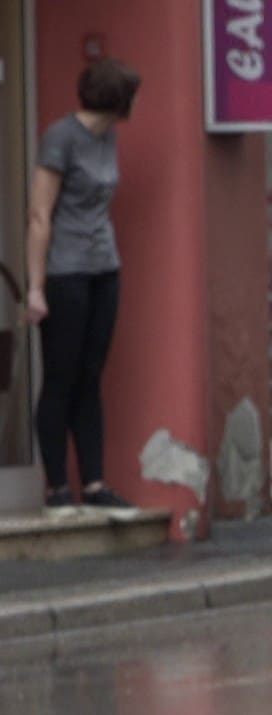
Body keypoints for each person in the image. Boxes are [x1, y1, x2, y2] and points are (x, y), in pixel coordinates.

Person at [27, 57, 140, 516]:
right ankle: (57, 488)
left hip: (103, 269)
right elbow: (39, 216)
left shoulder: (108, 136)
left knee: (91, 377)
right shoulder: (61, 138)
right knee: (61, 377)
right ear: (118, 101)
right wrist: (35, 288)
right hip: (65, 272)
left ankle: (94, 484)